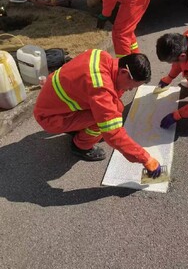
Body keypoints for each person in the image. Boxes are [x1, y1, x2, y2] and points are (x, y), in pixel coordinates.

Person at [34, 50, 161, 179]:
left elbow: (112, 92)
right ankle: (81, 146)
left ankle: (78, 130)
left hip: (54, 107)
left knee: (115, 108)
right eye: (131, 86)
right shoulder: (100, 87)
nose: (130, 89)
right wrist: (146, 159)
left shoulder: (102, 56)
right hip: (51, 118)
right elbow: (113, 133)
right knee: (103, 122)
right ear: (124, 72)